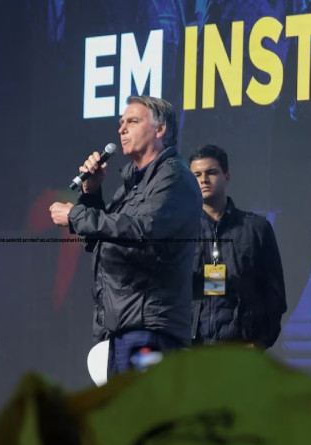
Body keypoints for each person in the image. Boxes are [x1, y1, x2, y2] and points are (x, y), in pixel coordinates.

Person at [49, 95, 202, 374]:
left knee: (145, 415)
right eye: (121, 123)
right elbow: (102, 239)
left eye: (132, 121)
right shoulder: (133, 182)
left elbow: (141, 230)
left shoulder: (174, 178)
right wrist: (92, 192)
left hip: (151, 329)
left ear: (160, 129)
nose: (121, 129)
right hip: (122, 327)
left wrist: (75, 215)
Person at [188, 144, 287, 349]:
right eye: (196, 174)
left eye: (211, 172)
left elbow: (275, 294)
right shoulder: (181, 230)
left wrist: (258, 343)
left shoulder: (255, 228)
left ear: (227, 176)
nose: (203, 180)